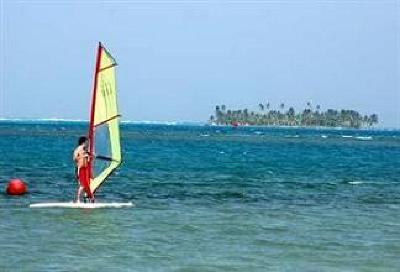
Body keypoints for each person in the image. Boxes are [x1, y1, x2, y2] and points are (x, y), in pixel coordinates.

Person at [73, 136, 91, 203]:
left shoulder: (85, 150)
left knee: (87, 185)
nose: (88, 143)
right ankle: (78, 200)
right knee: (82, 185)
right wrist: (83, 156)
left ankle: (87, 200)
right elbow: (74, 159)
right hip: (80, 169)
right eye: (87, 142)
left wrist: (89, 156)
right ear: (84, 142)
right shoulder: (77, 149)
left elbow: (88, 159)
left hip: (85, 169)